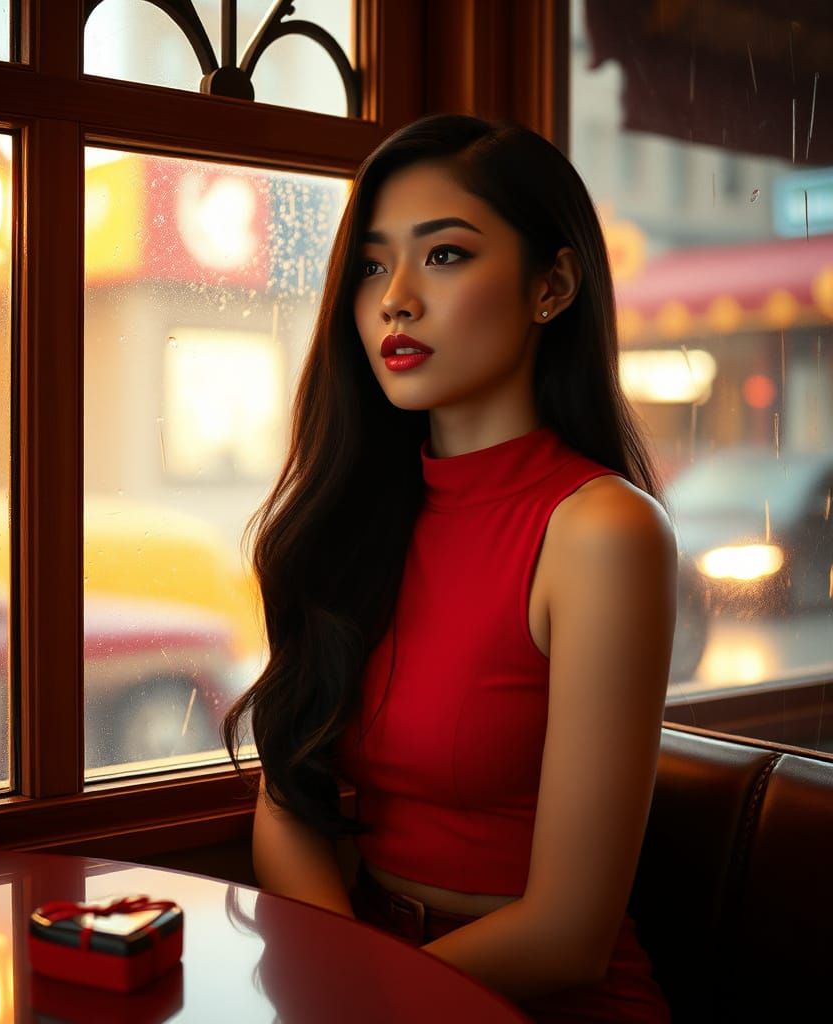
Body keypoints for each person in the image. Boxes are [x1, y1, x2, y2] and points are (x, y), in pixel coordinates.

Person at [222, 113, 676, 1022]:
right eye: (371, 267)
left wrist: (357, 997)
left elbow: (568, 935)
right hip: (370, 982)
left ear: (552, 286)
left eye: (444, 256)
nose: (395, 299)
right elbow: (288, 797)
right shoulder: (355, 517)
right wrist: (336, 976)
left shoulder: (602, 532)